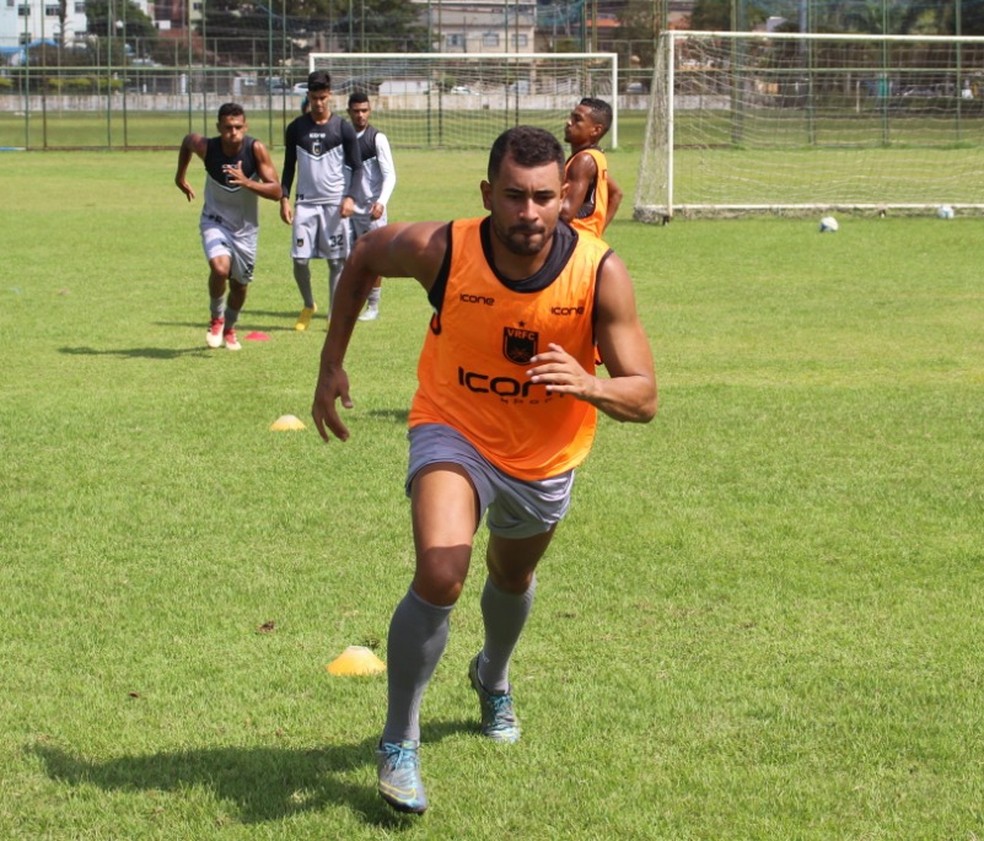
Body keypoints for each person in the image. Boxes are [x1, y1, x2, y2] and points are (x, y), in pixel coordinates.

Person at [311, 126, 657, 814]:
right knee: (441, 571)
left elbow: (644, 395)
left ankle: (491, 675)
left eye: (543, 198)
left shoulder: (599, 270)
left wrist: (589, 385)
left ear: (565, 198)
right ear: (487, 195)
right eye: (513, 197)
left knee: (512, 575)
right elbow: (364, 257)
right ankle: (398, 741)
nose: (529, 213)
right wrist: (330, 363)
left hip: (546, 456)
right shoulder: (443, 249)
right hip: (453, 428)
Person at [174, 102, 282, 351]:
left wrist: (247, 182)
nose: (233, 133)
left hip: (245, 230)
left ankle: (230, 327)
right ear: (218, 127)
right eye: (227, 128)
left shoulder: (255, 150)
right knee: (220, 269)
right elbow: (188, 140)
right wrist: (180, 176)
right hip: (215, 220)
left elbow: (277, 190)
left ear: (245, 127)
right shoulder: (208, 147)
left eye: (237, 127)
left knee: (240, 285)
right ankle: (216, 319)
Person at [280, 70, 363, 331]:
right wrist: (284, 197)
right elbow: (288, 166)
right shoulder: (296, 128)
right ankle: (308, 304)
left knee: (336, 261)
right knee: (299, 259)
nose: (319, 103)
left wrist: (350, 197)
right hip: (305, 203)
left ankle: (333, 314)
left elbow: (357, 167)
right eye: (314, 98)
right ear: (308, 96)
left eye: (323, 97)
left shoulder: (342, 128)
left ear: (330, 96)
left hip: (334, 204)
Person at [346, 91, 397, 322]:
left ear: (370, 111)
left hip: (372, 210)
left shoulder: (377, 138)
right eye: (356, 111)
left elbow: (390, 175)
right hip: (348, 209)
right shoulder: (342, 137)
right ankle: (349, 302)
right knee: (348, 258)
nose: (360, 115)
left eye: (364, 110)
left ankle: (373, 306)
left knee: (373, 259)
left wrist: (381, 202)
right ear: (349, 112)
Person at [561, 97, 623, 238]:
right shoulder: (595, 156)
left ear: (595, 130)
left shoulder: (584, 160)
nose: (569, 122)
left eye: (577, 119)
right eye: (571, 117)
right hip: (584, 240)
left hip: (574, 242)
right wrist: (596, 233)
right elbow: (616, 194)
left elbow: (566, 213)